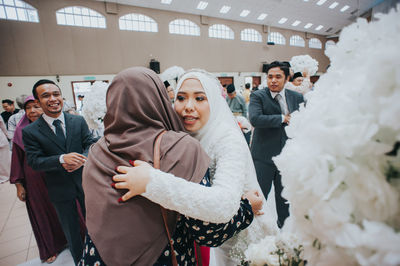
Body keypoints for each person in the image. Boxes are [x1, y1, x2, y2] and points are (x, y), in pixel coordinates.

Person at [81, 67, 254, 265]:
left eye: (200, 98)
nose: (188, 106)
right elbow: (208, 232)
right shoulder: (181, 148)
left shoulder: (96, 151)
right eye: (181, 98)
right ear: (160, 99)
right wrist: (246, 207)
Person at [22, 80, 96, 264]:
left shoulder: (77, 121)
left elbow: (89, 144)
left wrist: (82, 159)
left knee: (95, 223)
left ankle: (100, 254)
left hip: (84, 182)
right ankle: (80, 260)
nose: (53, 99)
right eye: (46, 95)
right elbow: (34, 161)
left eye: (56, 94)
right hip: (59, 188)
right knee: (71, 230)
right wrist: (61, 159)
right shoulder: (30, 131)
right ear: (38, 102)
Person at [10, 96, 67, 263]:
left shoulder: (53, 126)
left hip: (56, 174)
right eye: (28, 108)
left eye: (36, 107)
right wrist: (19, 185)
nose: (32, 111)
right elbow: (16, 161)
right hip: (34, 180)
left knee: (65, 207)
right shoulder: (21, 132)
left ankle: (72, 237)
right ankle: (50, 247)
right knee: (42, 212)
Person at [249, 61, 304, 228]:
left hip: (287, 157)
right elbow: (255, 119)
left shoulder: (297, 97)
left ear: (287, 78)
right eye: (270, 77)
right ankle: (257, 232)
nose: (273, 80)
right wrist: (283, 118)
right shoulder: (258, 96)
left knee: (284, 199)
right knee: (259, 198)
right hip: (263, 157)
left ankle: (284, 232)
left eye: (278, 77)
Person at [0, 116, 10, 183]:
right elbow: (2, 125)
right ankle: (6, 176)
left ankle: (5, 176)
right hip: (2, 139)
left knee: (5, 159)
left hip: (2, 140)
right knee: (4, 160)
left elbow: (2, 125)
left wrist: (7, 135)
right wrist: (7, 135)